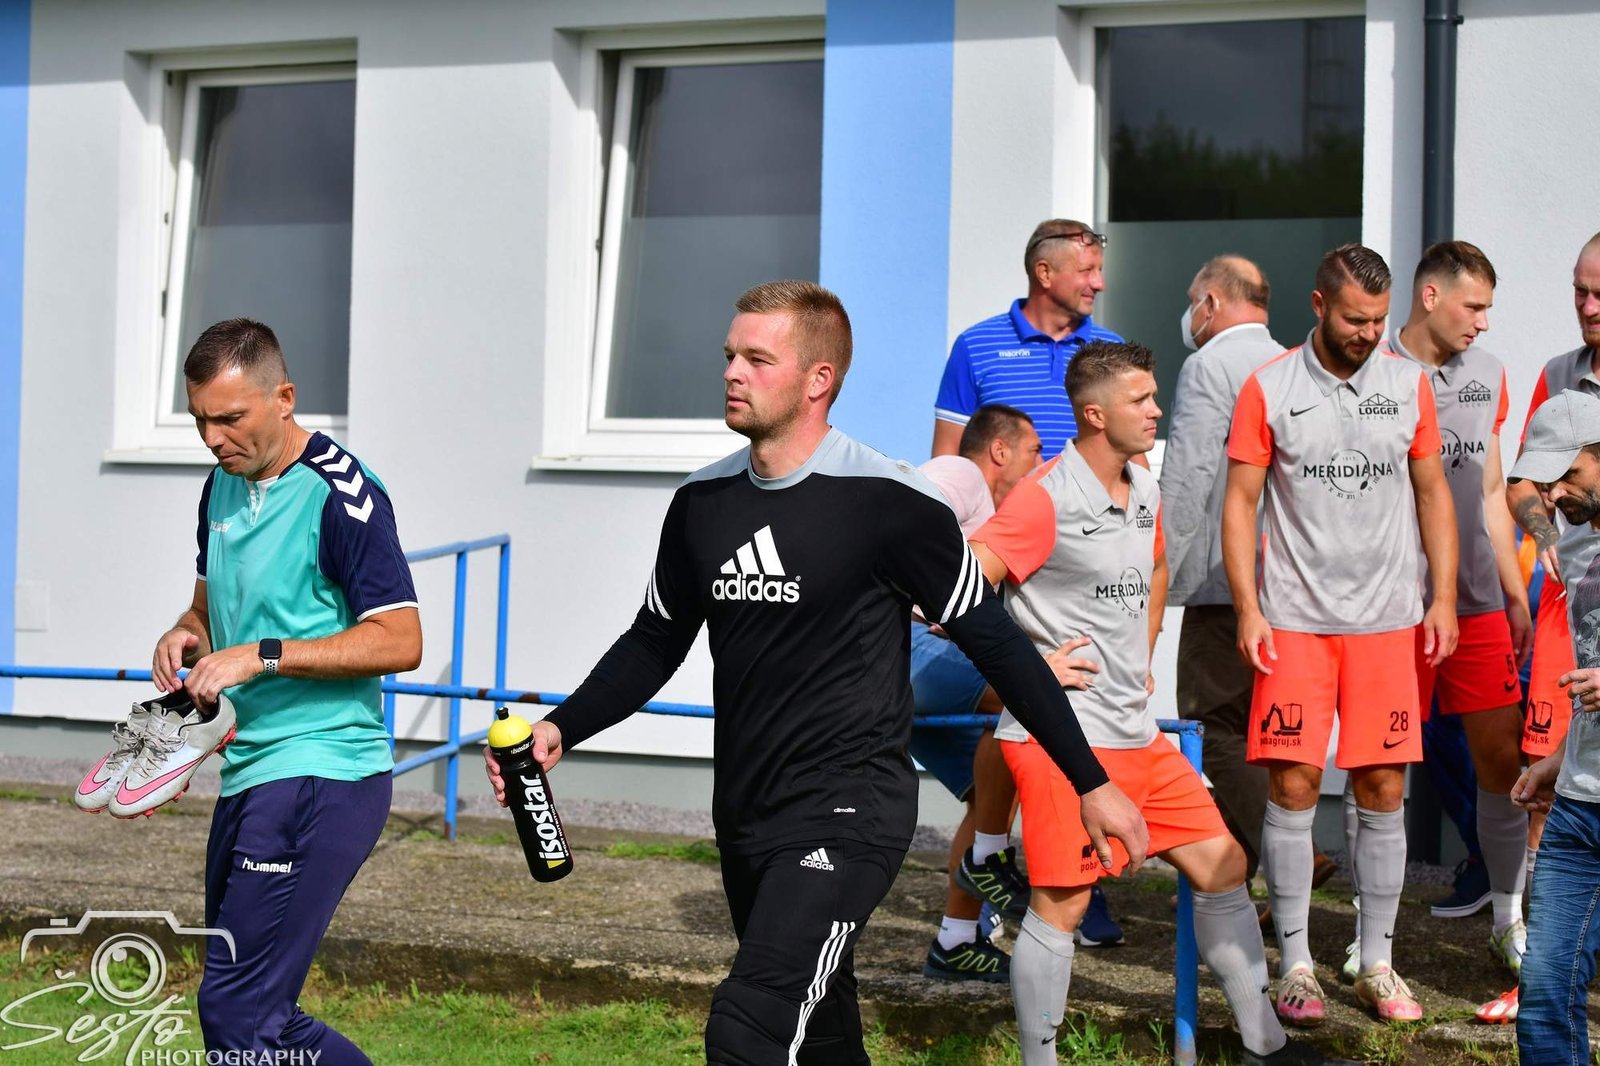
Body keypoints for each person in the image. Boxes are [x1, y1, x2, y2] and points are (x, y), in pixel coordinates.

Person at [482, 281, 1146, 1065]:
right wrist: (562, 728)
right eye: (730, 355)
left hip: (848, 811)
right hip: (745, 811)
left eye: (757, 359)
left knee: (748, 1029)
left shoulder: (892, 502)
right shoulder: (701, 502)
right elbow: (654, 641)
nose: (732, 372)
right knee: (822, 1036)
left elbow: (998, 645)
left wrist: (1090, 781)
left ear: (817, 379)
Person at [969, 340, 1348, 1066]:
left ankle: (1265, 1048)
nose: (1156, 409)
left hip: (1136, 734)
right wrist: (1030, 668)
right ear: (1094, 414)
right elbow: (956, 595)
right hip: (1059, 740)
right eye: (1140, 399)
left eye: (1153, 395)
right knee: (1063, 903)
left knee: (1224, 864)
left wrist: (1138, 656)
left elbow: (1157, 568)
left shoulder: (1143, 485)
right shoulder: (1044, 498)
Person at [151, 319, 422, 1062]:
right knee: (258, 1014)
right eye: (200, 419)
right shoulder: (221, 484)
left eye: (230, 418)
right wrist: (186, 633)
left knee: (238, 1011)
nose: (213, 438)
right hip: (248, 772)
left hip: (322, 772)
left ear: (284, 398)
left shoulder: (344, 493)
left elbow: (401, 640)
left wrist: (262, 656)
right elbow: (207, 610)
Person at [1223, 245, 1459, 1026]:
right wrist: (1248, 607)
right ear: (1319, 305)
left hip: (1388, 623)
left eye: (1379, 320)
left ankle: (1377, 963)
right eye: (1356, 318)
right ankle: (1295, 965)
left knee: (1383, 788)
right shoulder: (1269, 387)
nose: (1369, 333)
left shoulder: (1408, 384)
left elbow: (1433, 494)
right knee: (1293, 787)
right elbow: (1240, 502)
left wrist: (1442, 598)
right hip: (1295, 621)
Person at [1381, 241, 1530, 970]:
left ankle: (1508, 921)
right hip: (1391, 608)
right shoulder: (1373, 369)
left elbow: (1493, 490)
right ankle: (1372, 943)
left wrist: (1513, 592)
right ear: (1431, 296)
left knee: (1502, 759)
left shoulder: (1489, 373)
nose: (1483, 322)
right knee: (1383, 771)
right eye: (1474, 306)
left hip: (1475, 606)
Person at [1159, 254, 1300, 896]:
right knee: (1267, 727)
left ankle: (1274, 858)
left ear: (1211, 303)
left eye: (1193, 301)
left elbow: (1188, 475)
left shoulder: (1209, 365)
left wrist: (1156, 571)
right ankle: (1275, 867)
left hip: (1220, 582)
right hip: (1285, 580)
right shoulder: (1294, 363)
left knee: (1214, 722)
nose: (1189, 314)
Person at [910, 404, 1043, 982]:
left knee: (991, 791)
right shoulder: (962, 473)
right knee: (1029, 698)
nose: (1038, 464)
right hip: (904, 647)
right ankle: (990, 857)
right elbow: (906, 514)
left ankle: (956, 941)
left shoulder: (998, 517)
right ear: (1000, 450)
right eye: (1033, 451)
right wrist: (939, 605)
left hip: (925, 666)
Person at [1506, 388, 1600, 1064]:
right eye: (1548, 479)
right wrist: (1559, 758)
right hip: (1577, 806)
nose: (1556, 494)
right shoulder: (1577, 548)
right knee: (1542, 995)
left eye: (1570, 474)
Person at [932, 220, 1122, 459]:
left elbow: (1134, 459)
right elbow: (946, 459)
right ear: (1044, 273)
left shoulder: (1114, 352)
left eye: (1099, 270)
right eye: (1086, 271)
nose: (1099, 284)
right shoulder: (974, 347)